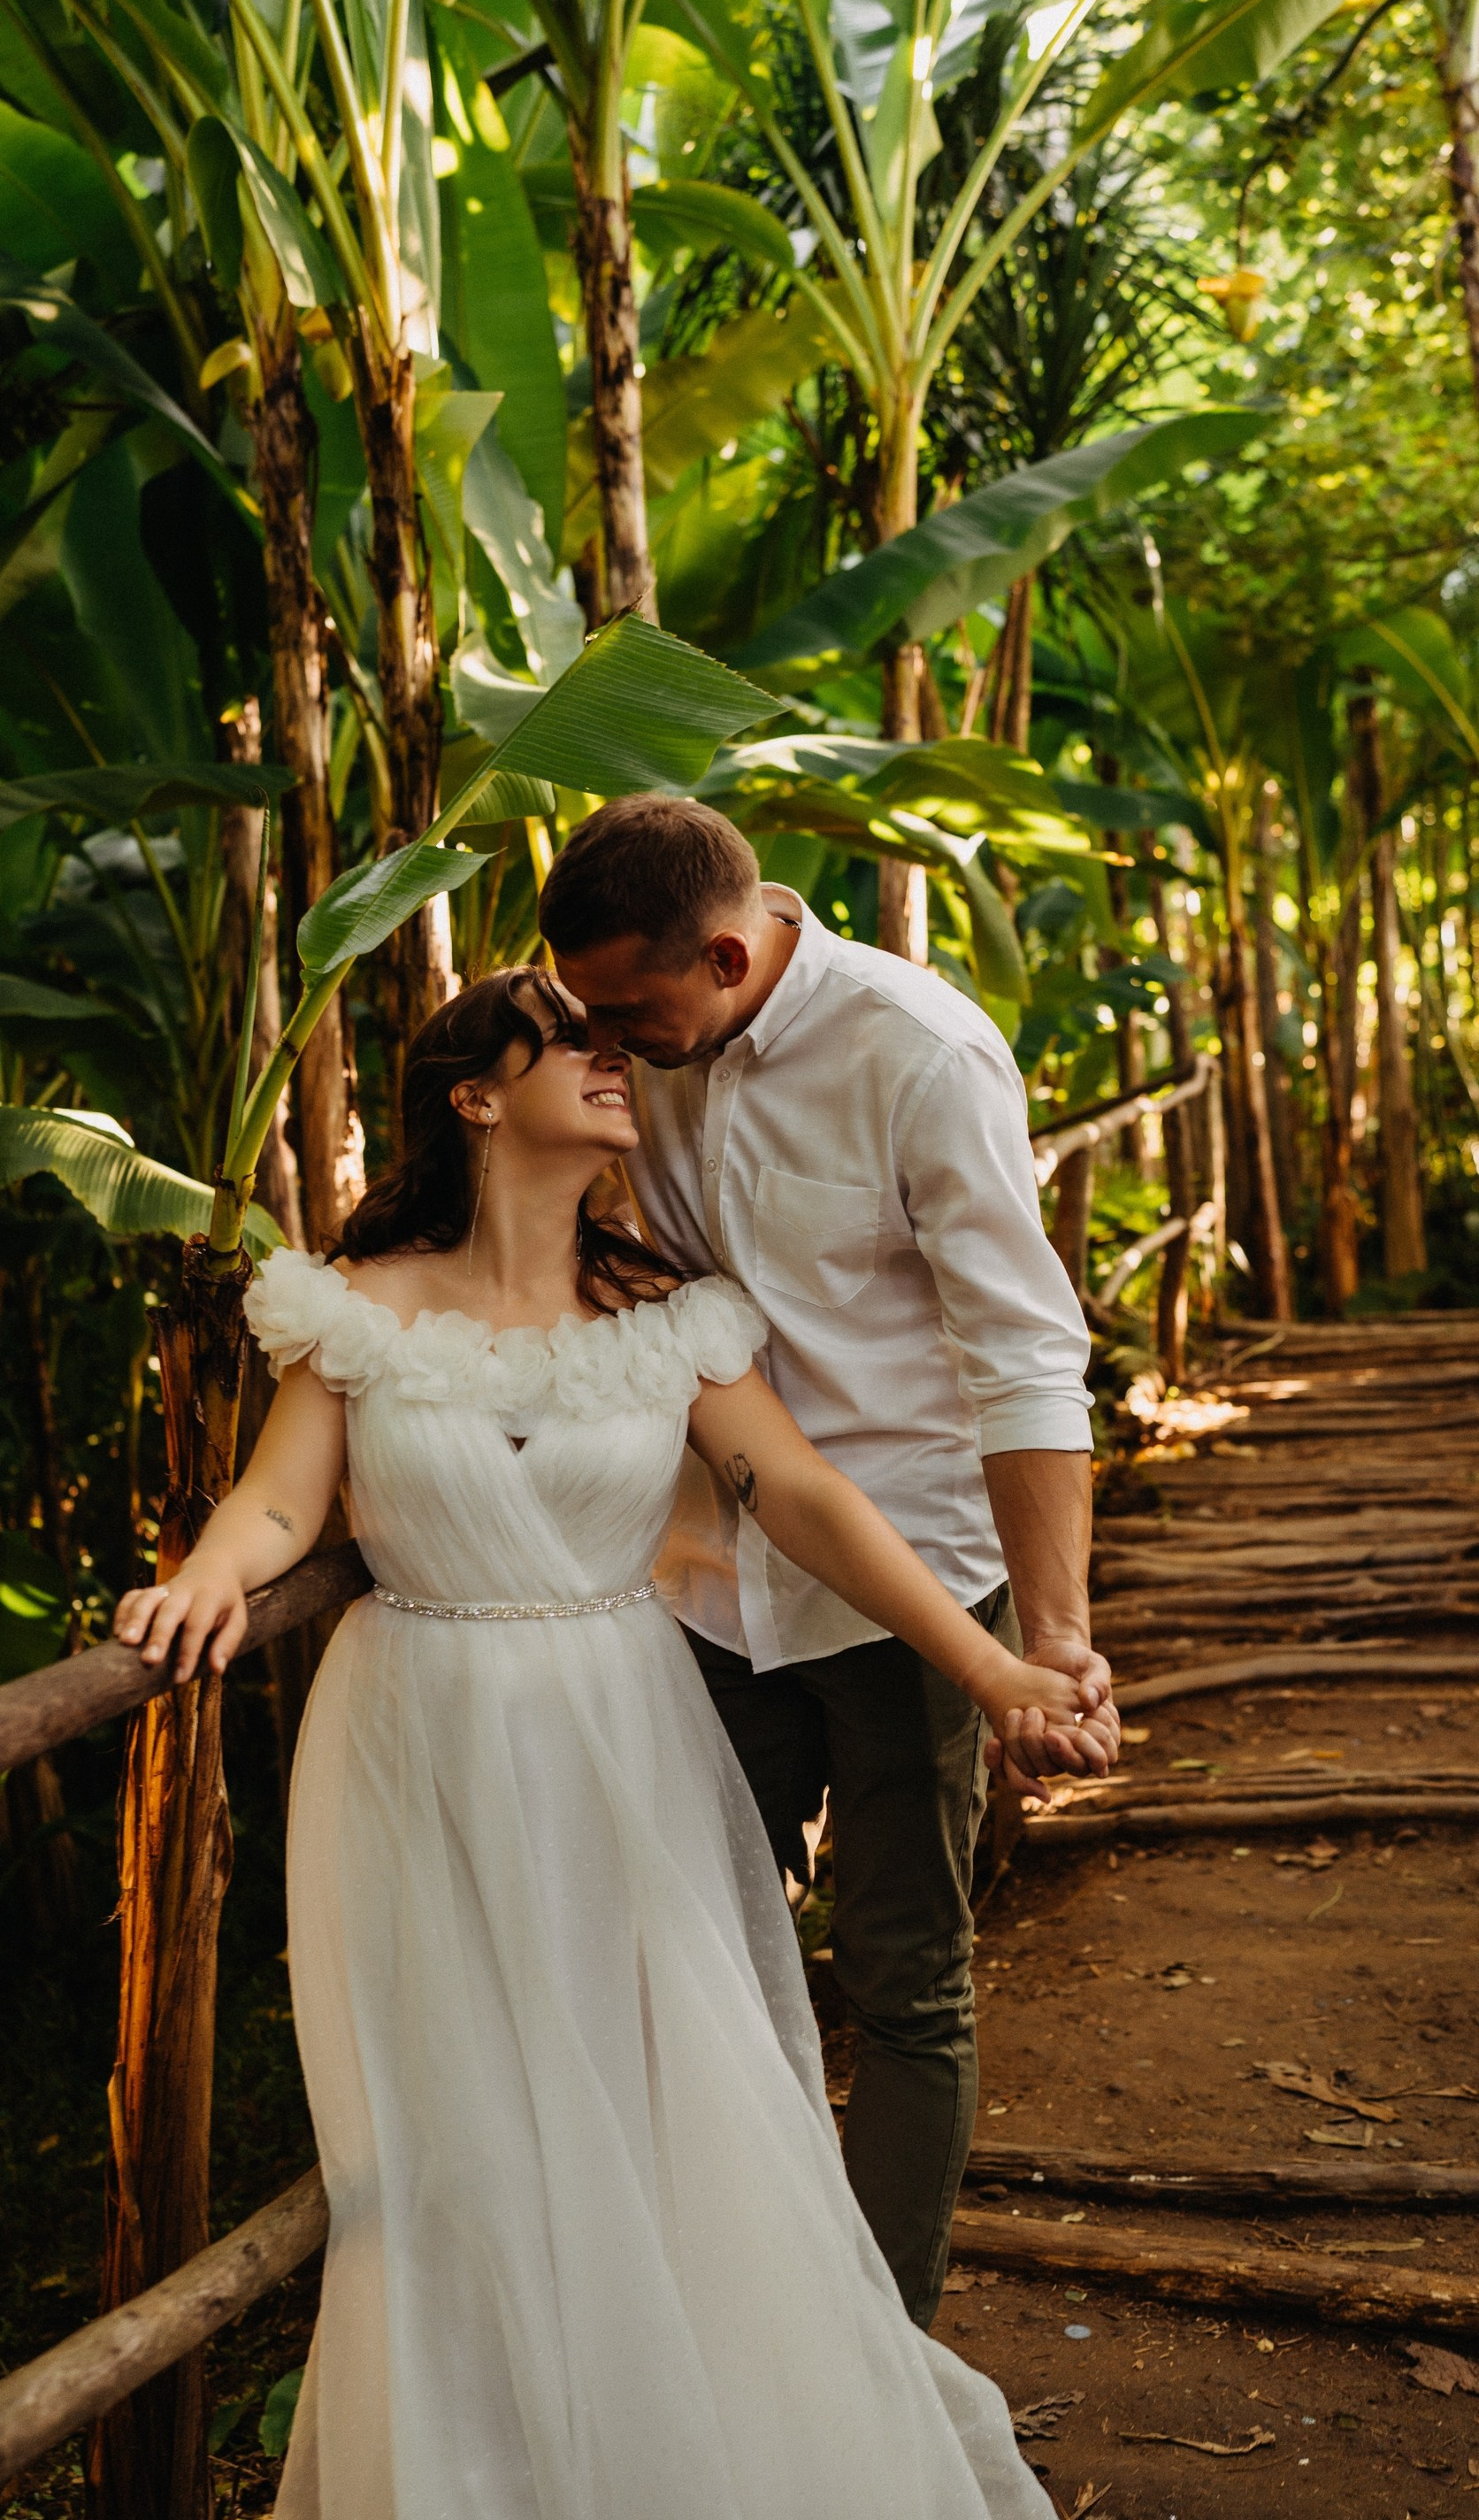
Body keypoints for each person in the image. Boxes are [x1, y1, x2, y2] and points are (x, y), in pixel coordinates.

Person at [116, 969, 1087, 2520]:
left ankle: (673, 2430)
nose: (611, 1058)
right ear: (475, 1095)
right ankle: (489, 2459)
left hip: (625, 1734)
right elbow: (282, 1503)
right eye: (569, 1040)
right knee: (453, 2117)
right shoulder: (357, 1305)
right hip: (415, 1739)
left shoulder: (666, 1315)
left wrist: (993, 1664)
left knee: (656, 2073)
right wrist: (206, 1580)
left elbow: (808, 1499)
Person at [539, 795, 1118, 2329]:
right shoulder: (628, 1035)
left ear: (726, 957)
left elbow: (1025, 1356)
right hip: (696, 1577)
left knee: (905, 1974)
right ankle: (727, 2314)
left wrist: (1051, 1640)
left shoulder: (918, 1054)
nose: (603, 1042)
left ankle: (880, 2349)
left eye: (627, 1013)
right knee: (683, 1955)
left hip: (911, 1577)